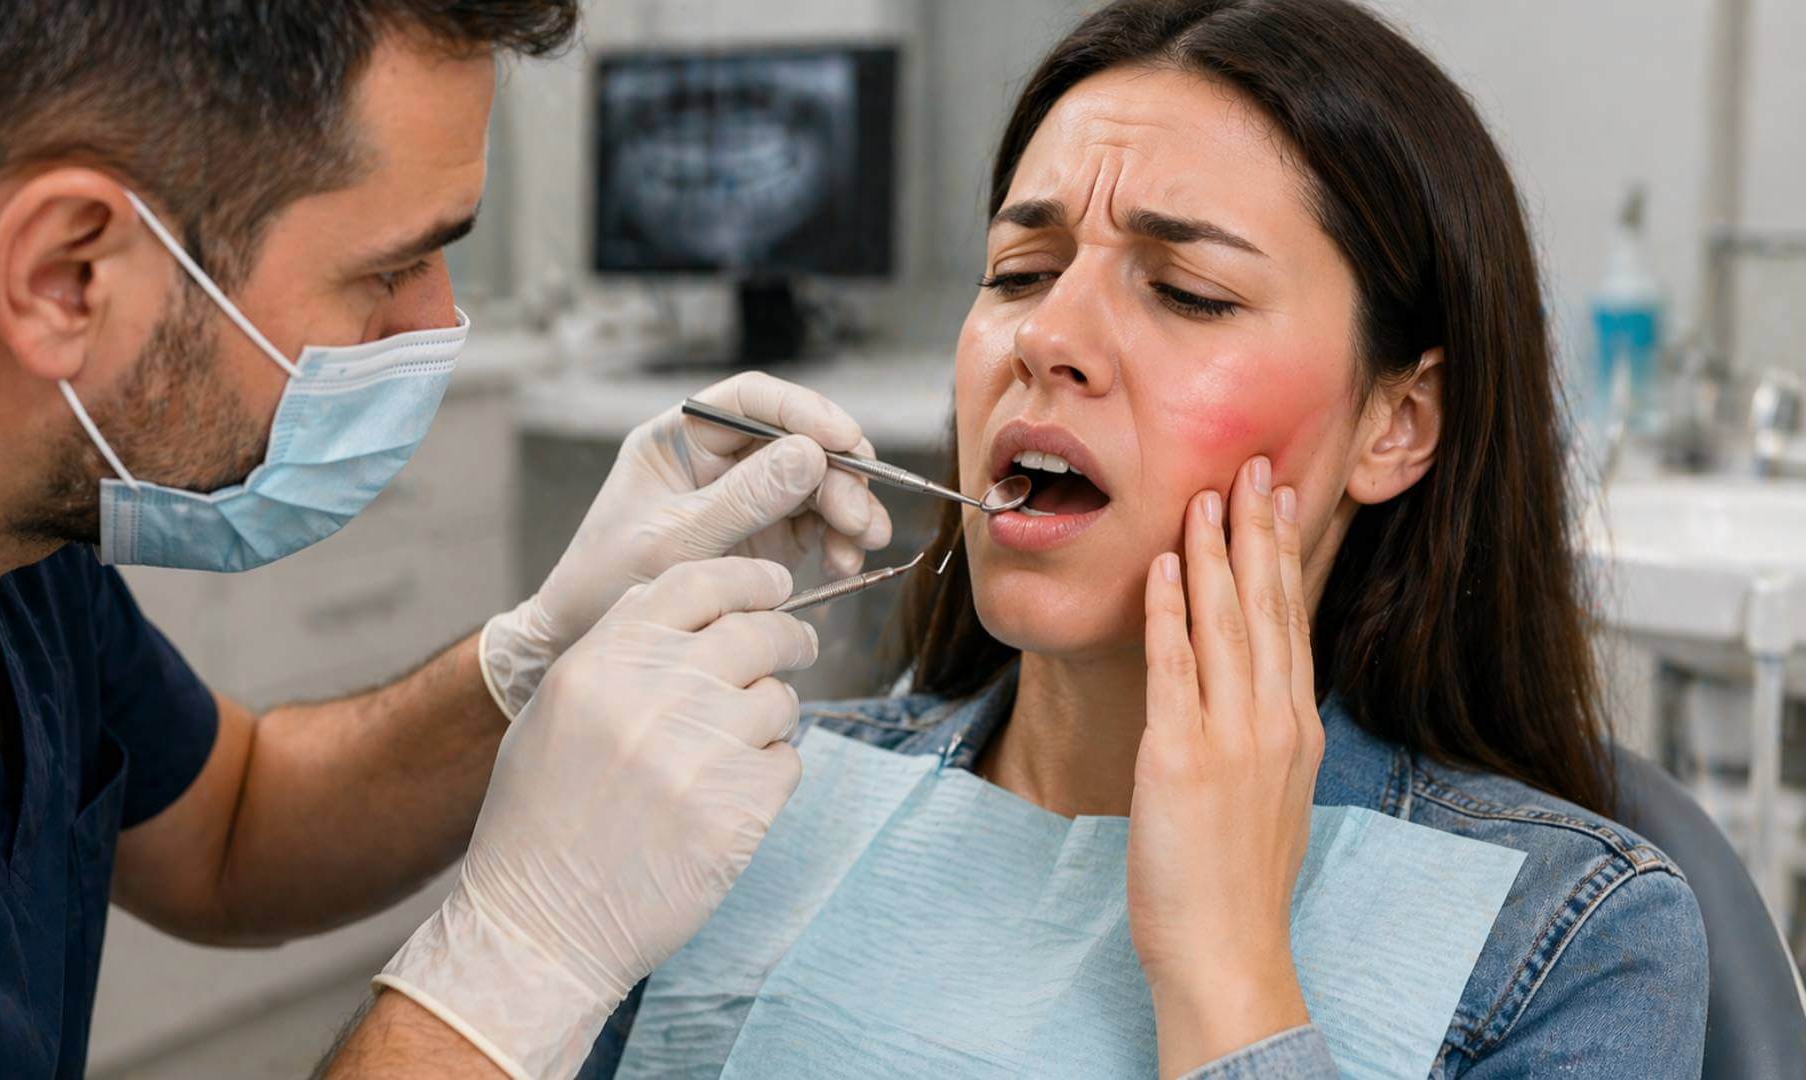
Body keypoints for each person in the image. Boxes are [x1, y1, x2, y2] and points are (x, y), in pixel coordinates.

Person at [580, 0, 1710, 1077]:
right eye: (1020, 273)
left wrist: (1228, 976)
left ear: (1396, 424)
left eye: (1189, 292)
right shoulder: (738, 796)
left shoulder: (1576, 941)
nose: (1050, 335)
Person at [0, 3, 896, 1077]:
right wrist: (516, 966)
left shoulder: (17, 564)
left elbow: (232, 828)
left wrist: (539, 653)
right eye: (385, 271)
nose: (435, 331)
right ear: (66, 275)